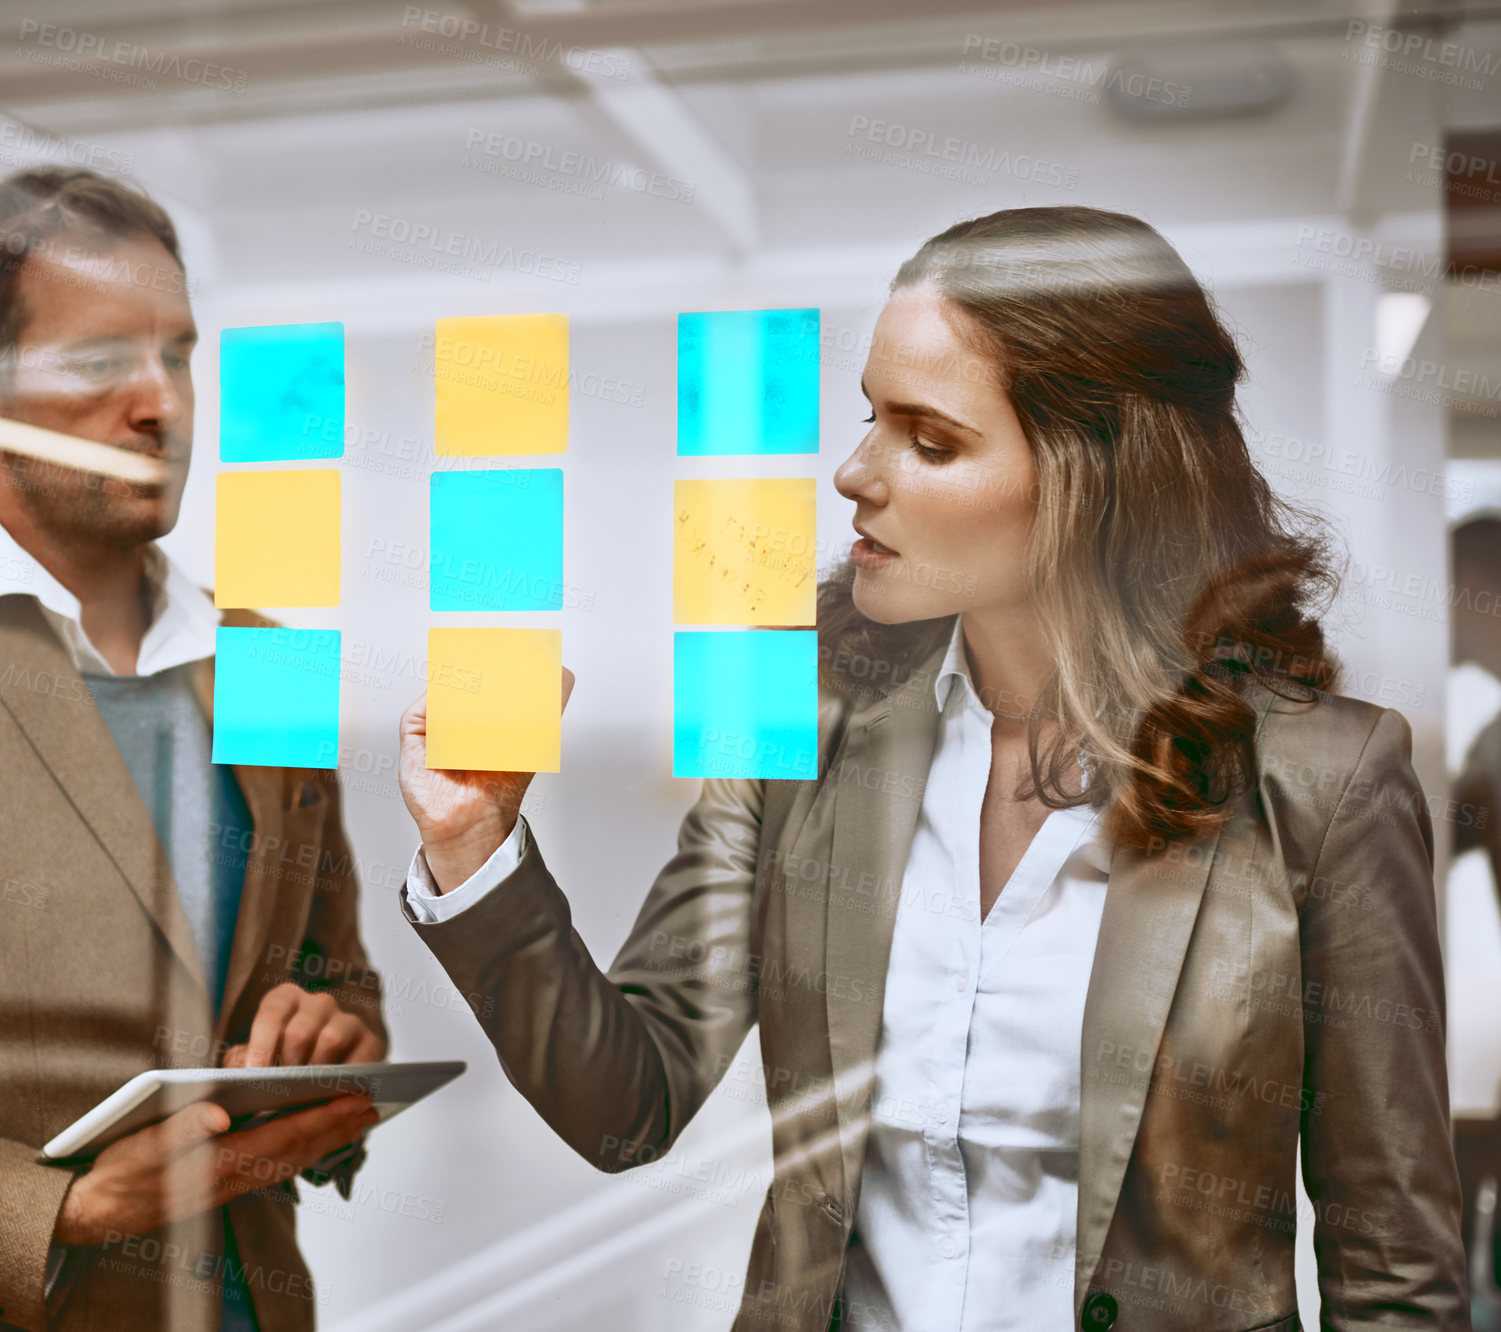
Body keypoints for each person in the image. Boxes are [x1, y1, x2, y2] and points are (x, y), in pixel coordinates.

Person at [395, 206, 1470, 1330]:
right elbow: (631, 1104)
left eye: (930, 439)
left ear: (1093, 476)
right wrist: (475, 848)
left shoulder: (1325, 781)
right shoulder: (799, 732)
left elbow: (1392, 1270)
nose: (855, 472)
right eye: (870, 419)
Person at [0, 167, 386, 1332]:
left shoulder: (261, 657)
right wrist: (49, 1212)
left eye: (178, 354)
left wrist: (334, 1034)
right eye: (97, 360)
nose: (160, 403)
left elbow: (330, 966)